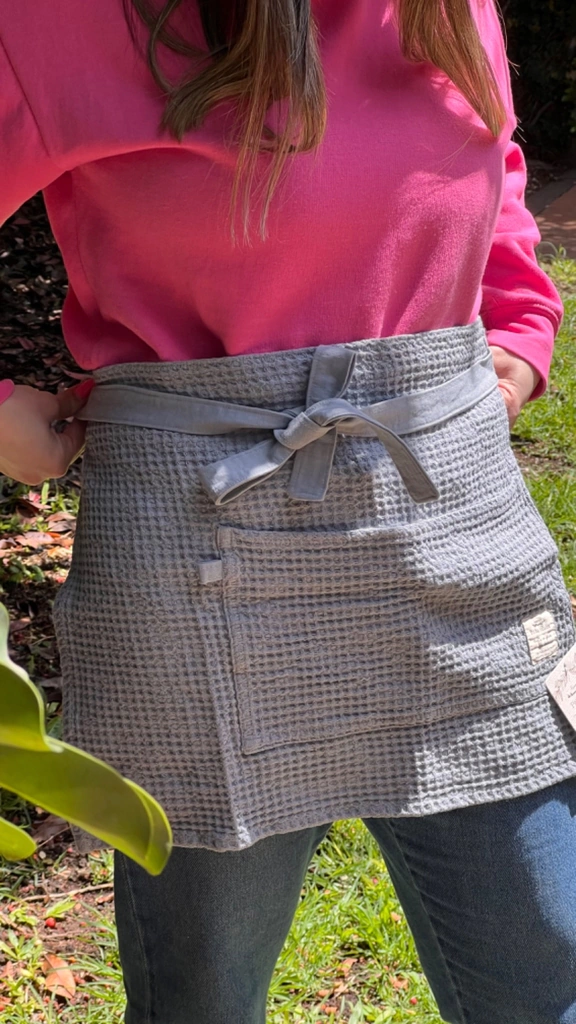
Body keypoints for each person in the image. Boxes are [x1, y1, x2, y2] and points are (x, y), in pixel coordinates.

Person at [1, 1, 576, 1021]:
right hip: (197, 568)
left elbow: (484, 150)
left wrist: (519, 322)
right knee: (203, 1000)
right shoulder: (64, 21)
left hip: (455, 527)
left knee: (549, 972)